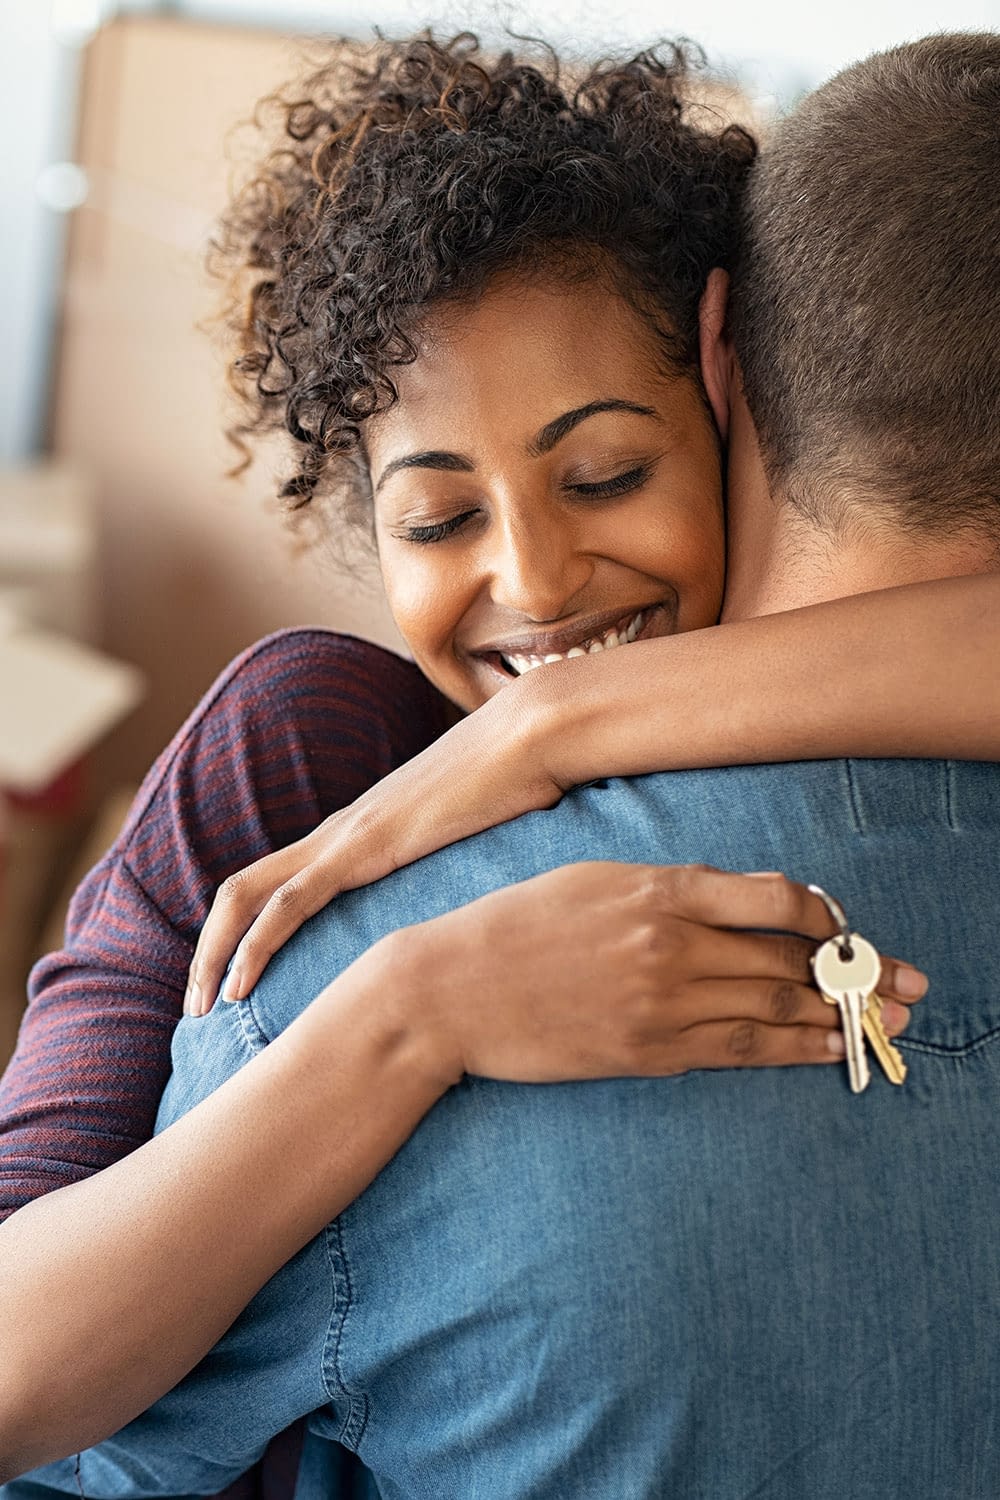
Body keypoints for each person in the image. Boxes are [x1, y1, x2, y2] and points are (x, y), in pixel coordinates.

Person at [2, 30, 999, 1494]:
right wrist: (413, 1009)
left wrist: (560, 725)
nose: (535, 582)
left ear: (728, 390)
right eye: (437, 521)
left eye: (606, 476)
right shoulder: (301, 766)